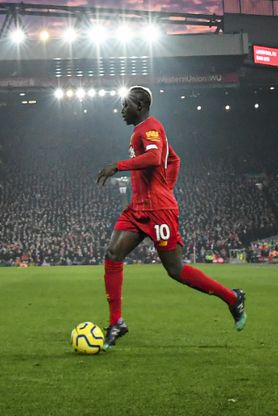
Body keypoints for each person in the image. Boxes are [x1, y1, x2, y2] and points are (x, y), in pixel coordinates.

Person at [95, 86, 245, 349]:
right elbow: (174, 159)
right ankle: (116, 321)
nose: (121, 111)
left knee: (175, 270)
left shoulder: (150, 128)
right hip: (138, 208)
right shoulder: (140, 132)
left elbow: (155, 157)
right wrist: (167, 186)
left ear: (139, 106)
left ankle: (232, 298)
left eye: (125, 106)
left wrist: (118, 166)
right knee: (113, 254)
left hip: (158, 211)